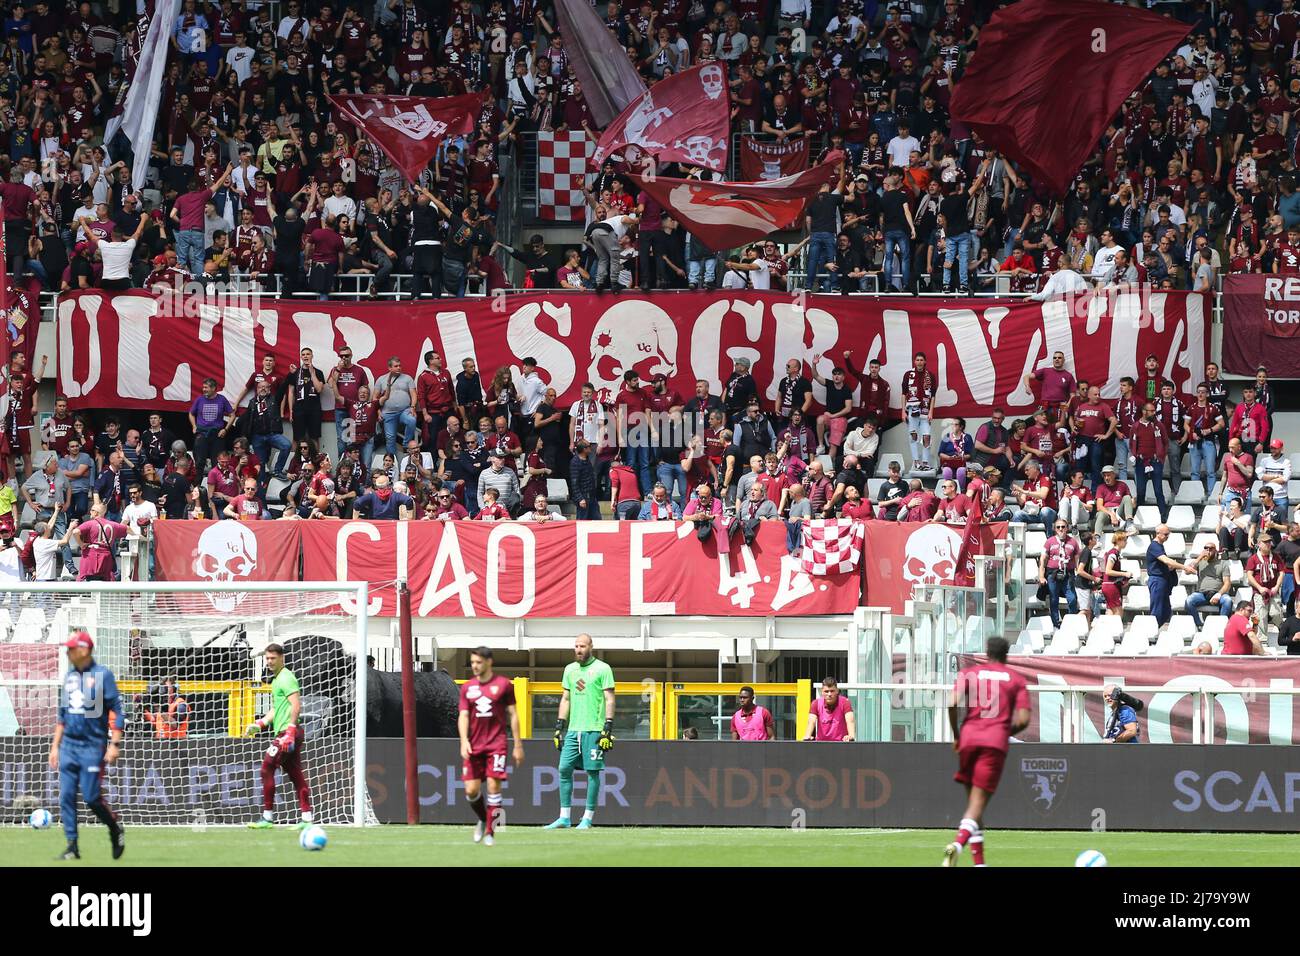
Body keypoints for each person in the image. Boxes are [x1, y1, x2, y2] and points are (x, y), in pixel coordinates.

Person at [942, 636, 1030, 868]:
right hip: (993, 743)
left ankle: (979, 864)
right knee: (978, 804)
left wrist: (957, 735)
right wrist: (1002, 729)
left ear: (987, 653)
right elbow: (1024, 720)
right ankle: (957, 844)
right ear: (1006, 654)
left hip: (968, 738)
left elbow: (952, 703)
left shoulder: (970, 674)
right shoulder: (1016, 679)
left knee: (973, 803)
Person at [49, 630, 125, 861]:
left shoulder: (103, 675)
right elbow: (63, 715)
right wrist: (55, 746)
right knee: (66, 796)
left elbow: (119, 710)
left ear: (84, 650)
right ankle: (72, 845)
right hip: (69, 746)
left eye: (72, 648)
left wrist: (115, 743)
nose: (68, 652)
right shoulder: (70, 677)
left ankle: (115, 828)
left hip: (92, 746)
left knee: (92, 798)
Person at [545, 634, 615, 830]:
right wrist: (559, 726)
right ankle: (564, 817)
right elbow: (565, 699)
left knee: (592, 772)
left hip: (594, 729)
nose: (579, 649)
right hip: (573, 729)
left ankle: (587, 818)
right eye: (576, 646)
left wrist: (608, 726)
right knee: (564, 768)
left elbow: (609, 698)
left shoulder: (603, 668)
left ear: (591, 646)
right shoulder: (570, 670)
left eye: (582, 646)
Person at [458, 646, 523, 847]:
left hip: (497, 744)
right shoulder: (467, 688)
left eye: (478, 662)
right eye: (472, 663)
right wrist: (464, 741)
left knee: (494, 785)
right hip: (474, 745)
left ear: (489, 662)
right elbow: (463, 715)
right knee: (471, 790)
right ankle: (483, 818)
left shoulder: (503, 685)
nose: (475, 666)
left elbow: (513, 714)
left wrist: (518, 745)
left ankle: (490, 832)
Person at [245, 643, 314, 828]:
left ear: (282, 658)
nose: (269, 662)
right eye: (267, 658)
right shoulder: (276, 680)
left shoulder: (286, 677)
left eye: (272, 658)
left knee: (267, 768)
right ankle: (307, 819)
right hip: (289, 732)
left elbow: (296, 705)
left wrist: (290, 731)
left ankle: (268, 818)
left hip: (288, 733)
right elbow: (277, 709)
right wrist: (259, 724)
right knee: (295, 774)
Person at [1147, 525, 1194, 626]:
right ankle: (1151, 634)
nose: (1167, 536)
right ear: (1158, 534)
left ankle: (1155, 630)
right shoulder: (1154, 546)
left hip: (1162, 581)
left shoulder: (1160, 546)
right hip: (1157, 580)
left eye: (1168, 534)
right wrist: (1184, 567)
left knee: (1166, 611)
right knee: (1157, 611)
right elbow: (1166, 560)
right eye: (1165, 534)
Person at [1039, 519, 1080, 628]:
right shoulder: (1049, 541)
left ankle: (1070, 622)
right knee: (1053, 599)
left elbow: (1077, 561)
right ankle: (1056, 623)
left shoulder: (1073, 542)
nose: (1061, 529)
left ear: (1067, 528)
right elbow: (1043, 559)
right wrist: (1041, 576)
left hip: (1068, 574)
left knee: (1072, 599)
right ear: (1055, 529)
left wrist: (1079, 574)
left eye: (1063, 527)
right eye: (1058, 527)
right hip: (1053, 574)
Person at [1186, 542, 1233, 628]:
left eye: (1211, 548)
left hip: (1218, 593)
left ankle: (1221, 626)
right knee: (1189, 600)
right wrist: (1200, 557)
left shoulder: (1223, 564)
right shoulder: (1200, 562)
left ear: (1215, 551)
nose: (1208, 550)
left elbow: (1227, 583)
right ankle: (1199, 625)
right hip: (1202, 594)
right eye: (1206, 548)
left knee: (1228, 601)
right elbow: (1187, 571)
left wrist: (1218, 595)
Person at [804, 677, 855, 741]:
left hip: (841, 744)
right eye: (826, 691)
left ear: (837, 691)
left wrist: (851, 736)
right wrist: (807, 736)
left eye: (832, 691)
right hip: (821, 744)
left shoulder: (845, 702)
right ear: (822, 692)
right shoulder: (816, 703)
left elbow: (850, 721)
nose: (829, 694)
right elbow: (811, 721)